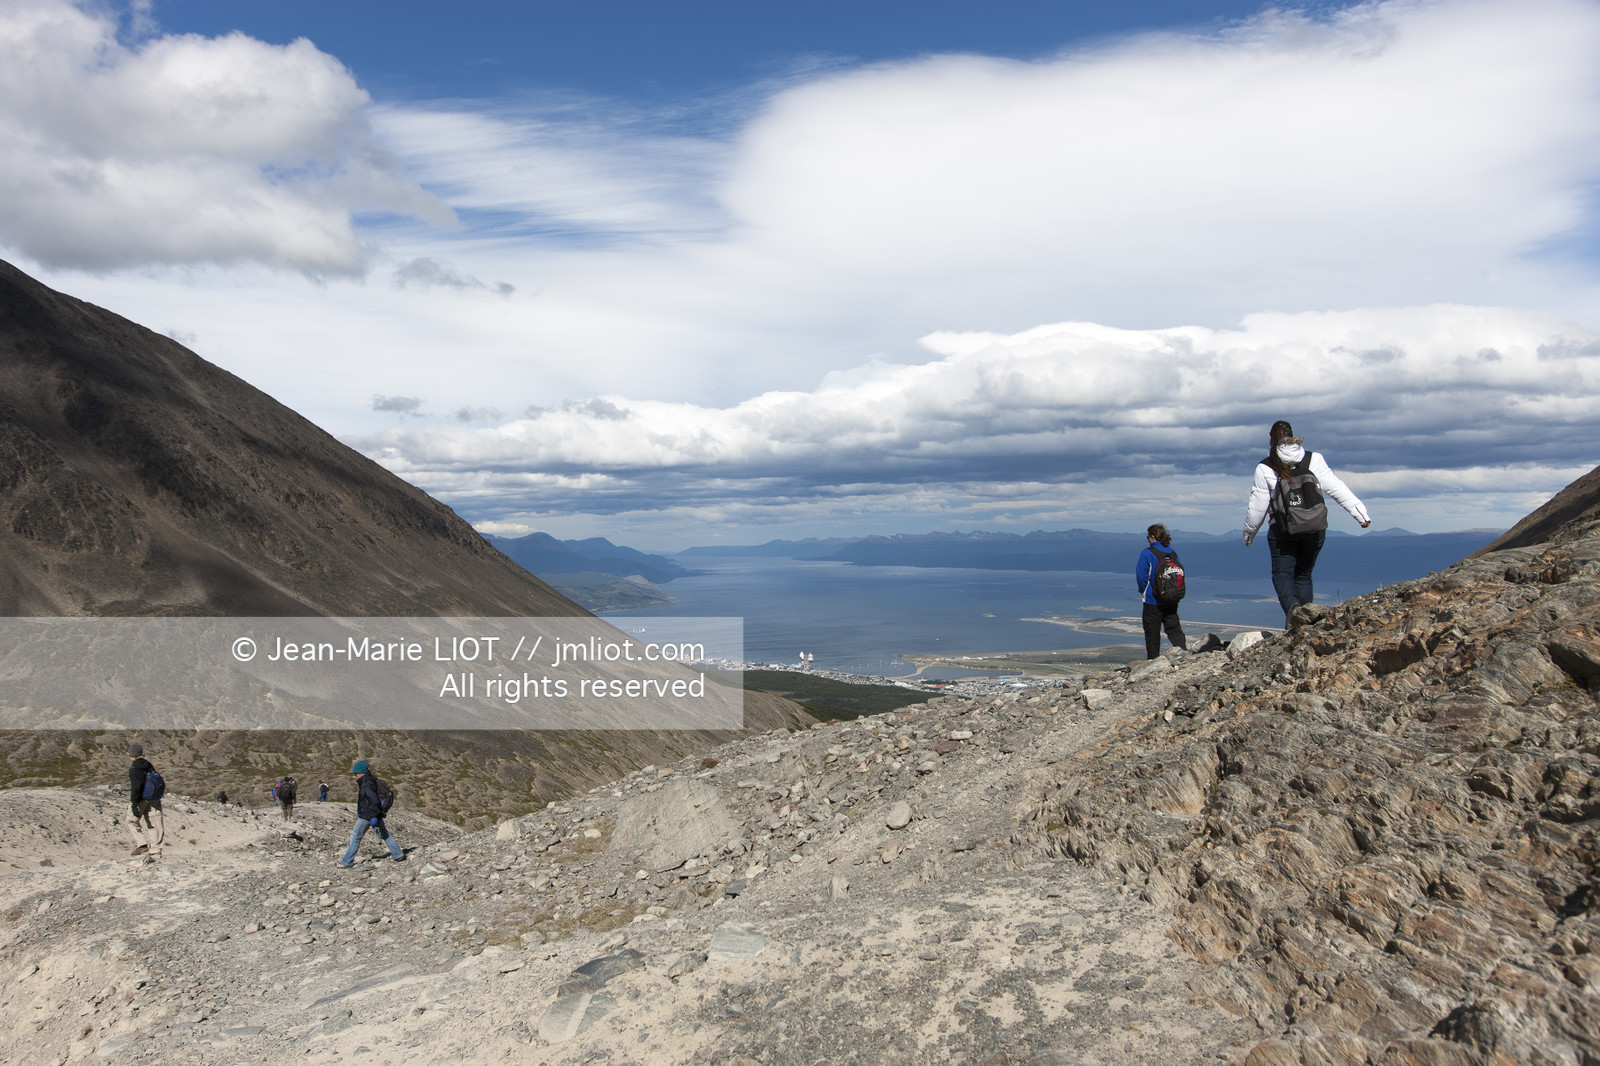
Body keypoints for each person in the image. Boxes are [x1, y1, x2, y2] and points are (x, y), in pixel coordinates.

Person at [1243, 420, 1371, 624]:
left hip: (1282, 530)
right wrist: (1361, 514)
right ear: (1293, 437)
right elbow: (1337, 488)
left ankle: (1293, 609)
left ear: (1270, 439)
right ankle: (1307, 621)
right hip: (1315, 528)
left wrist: (1249, 534)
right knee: (1303, 575)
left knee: (1282, 573)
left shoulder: (1266, 466)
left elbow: (1258, 505)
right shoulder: (1314, 459)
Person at [1135, 523, 1187, 659]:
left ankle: (1153, 661)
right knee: (1174, 628)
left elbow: (1141, 576)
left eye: (1148, 536)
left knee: (1152, 633)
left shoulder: (1147, 553)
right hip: (1171, 598)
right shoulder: (1172, 553)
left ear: (1152, 537)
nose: (1147, 539)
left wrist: (1144, 591)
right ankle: (1184, 655)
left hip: (1153, 600)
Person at [338, 760, 403, 867]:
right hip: (375, 814)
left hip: (367, 815)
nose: (355, 776)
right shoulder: (372, 781)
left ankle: (346, 862)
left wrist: (372, 816)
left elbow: (373, 801)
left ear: (361, 773)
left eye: (356, 774)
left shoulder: (366, 784)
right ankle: (397, 854)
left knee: (355, 837)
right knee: (384, 834)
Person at [126, 743, 164, 856]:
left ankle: (141, 844)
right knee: (154, 823)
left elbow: (136, 788)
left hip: (142, 798)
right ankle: (156, 850)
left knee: (131, 821)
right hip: (154, 797)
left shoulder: (135, 769)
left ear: (131, 755)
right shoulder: (148, 765)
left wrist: (134, 803)